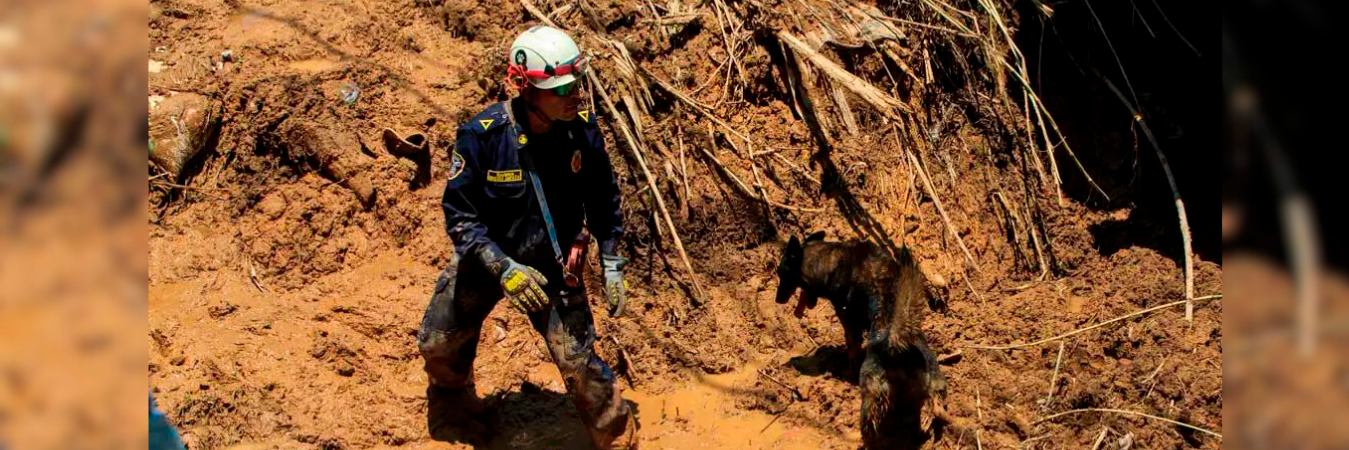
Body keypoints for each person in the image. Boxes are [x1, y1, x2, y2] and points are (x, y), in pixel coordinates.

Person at [416, 25, 634, 448]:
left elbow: (603, 198)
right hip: (488, 260)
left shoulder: (582, 130)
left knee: (581, 366)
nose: (573, 96)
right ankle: (455, 406)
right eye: (560, 89)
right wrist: (503, 268)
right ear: (525, 87)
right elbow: (460, 216)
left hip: (554, 266)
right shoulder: (482, 137)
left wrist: (610, 259)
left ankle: (617, 436)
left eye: (576, 85)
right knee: (437, 343)